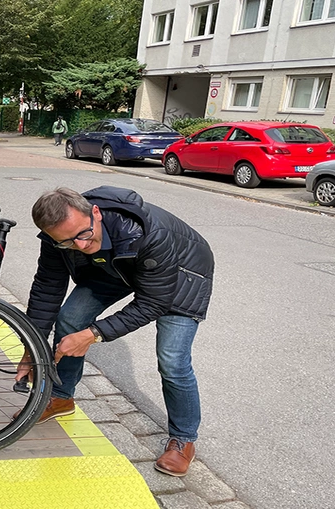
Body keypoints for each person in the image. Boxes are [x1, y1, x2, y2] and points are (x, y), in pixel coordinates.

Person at [18, 186, 214, 477]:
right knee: (70, 318)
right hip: (115, 266)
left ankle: (183, 439)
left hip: (180, 273)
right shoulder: (58, 238)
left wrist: (93, 334)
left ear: (95, 213)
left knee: (172, 359)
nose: (80, 245)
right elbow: (48, 288)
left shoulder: (150, 234)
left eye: (84, 234)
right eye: (67, 242)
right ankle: (60, 396)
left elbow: (153, 302)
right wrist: (31, 349)